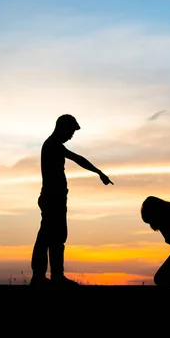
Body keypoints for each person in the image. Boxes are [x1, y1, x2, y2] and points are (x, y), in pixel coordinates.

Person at [30, 114, 114, 287]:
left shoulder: (53, 145)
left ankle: (53, 276)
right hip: (52, 198)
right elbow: (78, 159)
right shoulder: (53, 145)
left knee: (55, 237)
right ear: (63, 128)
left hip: (56, 198)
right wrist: (99, 172)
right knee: (47, 237)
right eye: (71, 131)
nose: (72, 135)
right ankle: (43, 277)